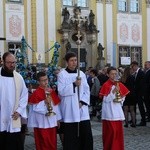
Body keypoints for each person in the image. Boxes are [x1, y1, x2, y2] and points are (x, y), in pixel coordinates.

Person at [57, 52, 93, 150]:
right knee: (71, 136)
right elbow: (61, 91)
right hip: (69, 109)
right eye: (72, 60)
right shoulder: (62, 75)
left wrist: (82, 102)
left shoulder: (81, 74)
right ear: (67, 62)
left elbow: (86, 90)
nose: (74, 62)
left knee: (85, 134)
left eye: (75, 60)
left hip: (81, 109)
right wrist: (73, 84)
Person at [0, 52, 28, 150]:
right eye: (9, 62)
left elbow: (24, 96)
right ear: (3, 62)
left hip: (14, 116)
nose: (12, 65)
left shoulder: (18, 77)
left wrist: (19, 111)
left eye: (14, 62)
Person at [28, 72, 61, 150]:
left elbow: (56, 106)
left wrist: (58, 119)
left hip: (52, 121)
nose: (45, 82)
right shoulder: (36, 93)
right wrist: (44, 102)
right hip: (41, 122)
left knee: (52, 142)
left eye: (46, 79)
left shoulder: (51, 91)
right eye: (43, 80)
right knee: (42, 142)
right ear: (39, 82)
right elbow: (35, 108)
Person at [99, 67, 129, 150]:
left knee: (118, 134)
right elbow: (105, 100)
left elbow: (123, 97)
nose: (114, 75)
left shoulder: (118, 84)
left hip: (117, 112)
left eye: (115, 74)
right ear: (108, 74)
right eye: (112, 74)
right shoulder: (106, 85)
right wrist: (113, 92)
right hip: (109, 113)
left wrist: (122, 98)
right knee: (111, 134)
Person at [130, 61, 146, 126]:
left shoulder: (141, 73)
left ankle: (143, 120)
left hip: (140, 94)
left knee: (141, 107)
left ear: (135, 66)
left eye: (132, 67)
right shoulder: (135, 73)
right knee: (134, 106)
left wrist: (142, 94)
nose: (132, 68)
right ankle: (133, 119)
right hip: (136, 94)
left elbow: (141, 85)